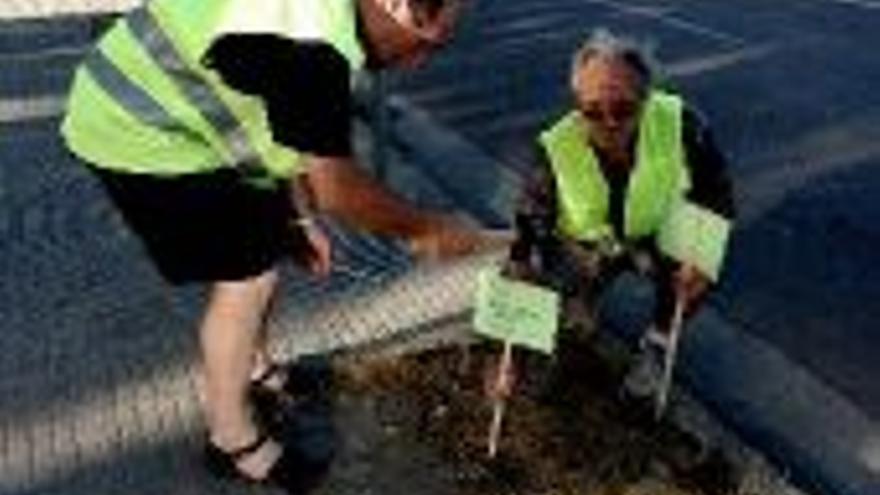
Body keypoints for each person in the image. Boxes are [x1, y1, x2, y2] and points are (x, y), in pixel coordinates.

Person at [60, 0, 490, 490]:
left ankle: (256, 366)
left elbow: (281, 131)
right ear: (395, 5)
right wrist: (428, 229)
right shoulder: (315, 48)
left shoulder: (316, 23)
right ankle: (233, 441)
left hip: (171, 113)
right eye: (430, 43)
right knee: (249, 278)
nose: (418, 63)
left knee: (266, 243)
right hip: (138, 131)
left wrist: (300, 218)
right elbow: (340, 189)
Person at [492, 29, 735, 401]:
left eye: (623, 109)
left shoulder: (682, 124)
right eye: (592, 111)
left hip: (655, 232)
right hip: (585, 244)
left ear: (646, 99)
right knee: (560, 320)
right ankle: (572, 324)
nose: (608, 122)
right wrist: (512, 348)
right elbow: (527, 235)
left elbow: (715, 189)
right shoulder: (553, 149)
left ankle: (657, 342)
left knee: (699, 271)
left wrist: (700, 255)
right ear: (577, 105)